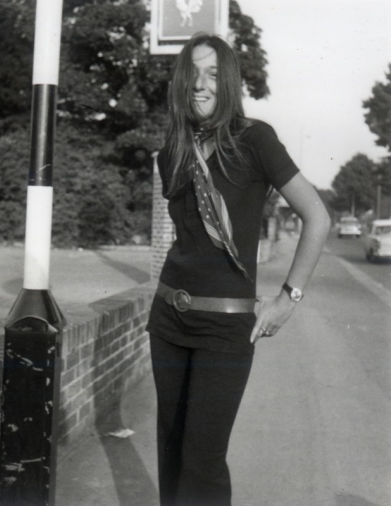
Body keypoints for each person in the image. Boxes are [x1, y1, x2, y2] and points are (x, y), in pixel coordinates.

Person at [146, 33, 331, 506]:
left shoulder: (255, 140)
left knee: (203, 461)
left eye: (212, 74)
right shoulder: (173, 152)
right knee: (171, 452)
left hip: (225, 329)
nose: (200, 85)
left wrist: (288, 298)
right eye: (192, 74)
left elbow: (317, 217)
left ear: (227, 81)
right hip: (168, 319)